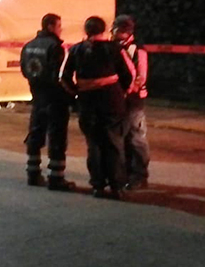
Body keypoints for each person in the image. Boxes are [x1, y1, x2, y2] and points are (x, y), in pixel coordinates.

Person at [61, 16, 132, 200]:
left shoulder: (76, 49)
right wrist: (122, 92)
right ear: (104, 30)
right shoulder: (115, 49)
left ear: (86, 31)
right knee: (113, 143)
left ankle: (98, 185)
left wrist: (77, 92)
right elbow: (128, 75)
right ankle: (116, 186)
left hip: (87, 102)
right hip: (112, 101)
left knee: (93, 144)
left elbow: (64, 76)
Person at [20, 13, 76, 191]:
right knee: (57, 137)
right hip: (55, 98)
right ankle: (56, 177)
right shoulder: (55, 47)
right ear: (51, 27)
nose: (61, 29)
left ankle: (33, 173)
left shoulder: (29, 46)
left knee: (35, 134)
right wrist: (72, 94)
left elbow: (24, 70)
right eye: (59, 26)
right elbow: (59, 75)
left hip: (37, 96)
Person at [112, 15, 151, 189]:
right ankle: (127, 173)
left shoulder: (137, 49)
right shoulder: (115, 47)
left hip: (134, 99)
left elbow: (141, 76)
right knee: (123, 138)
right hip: (118, 98)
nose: (113, 33)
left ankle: (140, 175)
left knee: (135, 138)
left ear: (126, 31)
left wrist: (129, 89)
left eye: (117, 30)